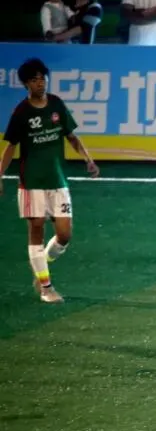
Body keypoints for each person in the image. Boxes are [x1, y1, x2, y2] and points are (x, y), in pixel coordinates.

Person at [0, 58, 99, 305]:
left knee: (64, 235)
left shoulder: (56, 104)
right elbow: (10, 147)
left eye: (42, 78)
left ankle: (41, 264)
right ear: (26, 84)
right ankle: (46, 287)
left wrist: (87, 159)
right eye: (34, 80)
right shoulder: (21, 112)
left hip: (57, 179)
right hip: (32, 181)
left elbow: (71, 136)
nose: (40, 83)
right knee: (36, 228)